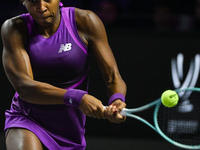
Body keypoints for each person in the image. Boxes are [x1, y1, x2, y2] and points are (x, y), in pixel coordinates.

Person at [1, 0, 127, 150]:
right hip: (27, 118)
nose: (41, 8)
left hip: (70, 129)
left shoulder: (85, 21)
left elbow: (113, 76)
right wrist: (77, 97)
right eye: (33, 1)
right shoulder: (14, 29)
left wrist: (117, 100)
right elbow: (24, 88)